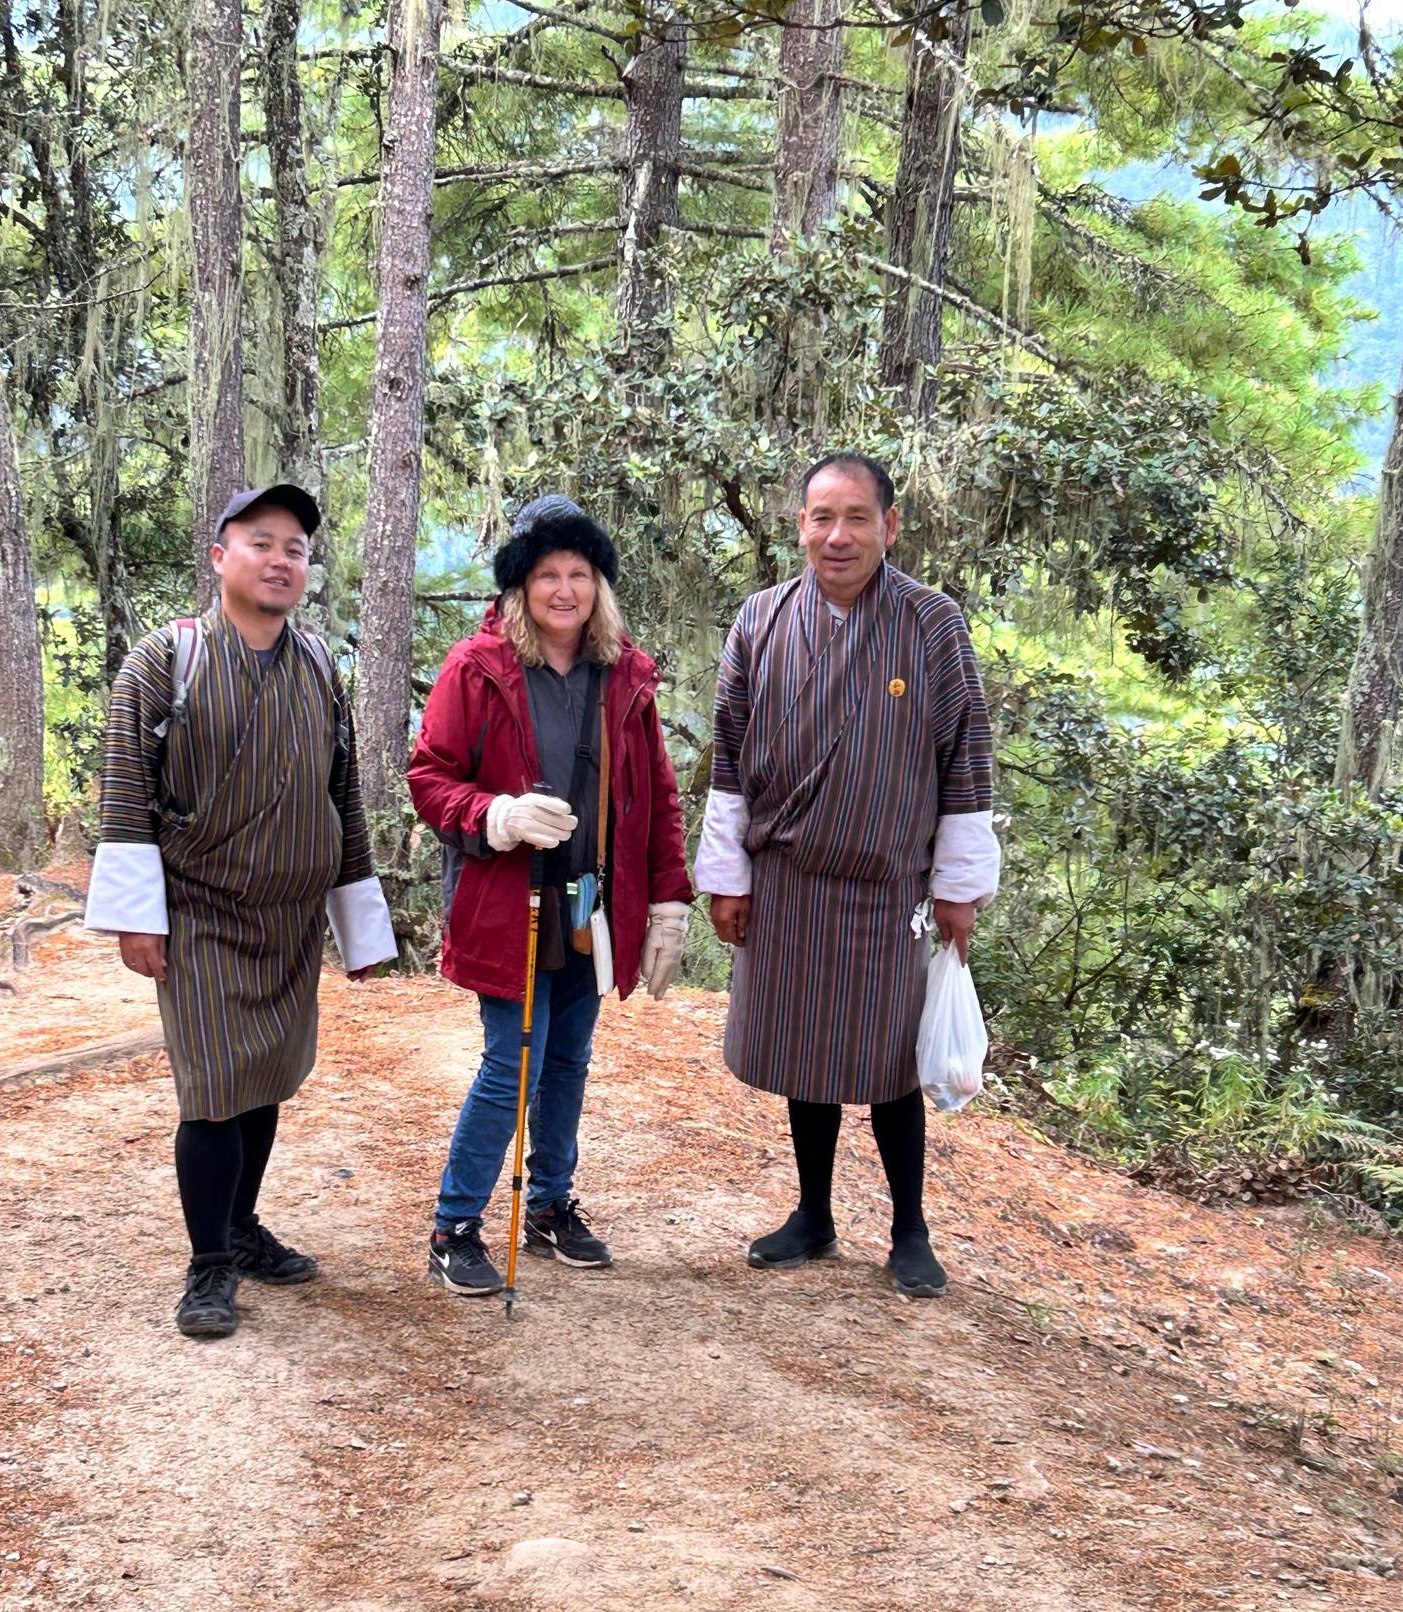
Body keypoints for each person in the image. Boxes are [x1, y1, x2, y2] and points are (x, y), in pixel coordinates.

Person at [83, 484, 397, 1338]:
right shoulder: (167, 659)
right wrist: (136, 917)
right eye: (262, 542)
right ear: (220, 557)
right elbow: (126, 793)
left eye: (296, 548)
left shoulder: (319, 665)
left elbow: (343, 795)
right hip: (202, 914)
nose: (280, 560)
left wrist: (358, 925)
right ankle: (209, 1264)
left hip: (291, 920)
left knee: (265, 1078)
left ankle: (243, 1226)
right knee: (215, 1089)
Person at [693, 452, 1000, 1301]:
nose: (838, 535)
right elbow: (728, 757)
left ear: (889, 526)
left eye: (857, 517)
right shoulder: (761, 619)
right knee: (806, 1053)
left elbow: (966, 759)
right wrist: (727, 875)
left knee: (890, 1065)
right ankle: (814, 1214)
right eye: (822, 517)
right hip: (787, 880)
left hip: (886, 886)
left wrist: (959, 886)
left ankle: (910, 1231)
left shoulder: (931, 623)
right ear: (800, 525)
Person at [407, 495, 692, 1295]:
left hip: (590, 903)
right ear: (520, 587)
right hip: (510, 901)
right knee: (513, 1064)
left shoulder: (624, 674)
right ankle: (455, 1226)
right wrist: (494, 815)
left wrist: (669, 900)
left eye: (580, 574)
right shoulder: (478, 668)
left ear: (599, 585)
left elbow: (658, 797)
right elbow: (429, 779)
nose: (565, 590)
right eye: (547, 575)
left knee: (568, 1059)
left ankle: (550, 1205)